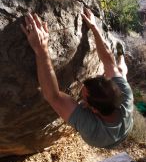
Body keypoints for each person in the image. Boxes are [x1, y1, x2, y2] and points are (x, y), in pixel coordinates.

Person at [21, 8, 133, 148]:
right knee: (120, 70)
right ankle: (122, 55)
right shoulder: (125, 95)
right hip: (121, 120)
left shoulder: (92, 129)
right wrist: (93, 26)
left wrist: (41, 49)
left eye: (83, 97)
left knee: (120, 71)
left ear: (93, 110)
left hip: (110, 139)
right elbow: (108, 61)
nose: (80, 93)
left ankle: (122, 58)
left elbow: (53, 96)